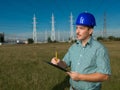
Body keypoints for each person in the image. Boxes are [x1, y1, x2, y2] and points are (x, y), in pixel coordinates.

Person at [51, 12, 111, 90]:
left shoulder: (99, 49)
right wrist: (58, 62)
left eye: (81, 28)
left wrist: (80, 77)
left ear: (90, 31)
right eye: (77, 28)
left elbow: (104, 76)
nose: (77, 32)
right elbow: (65, 64)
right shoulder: (73, 47)